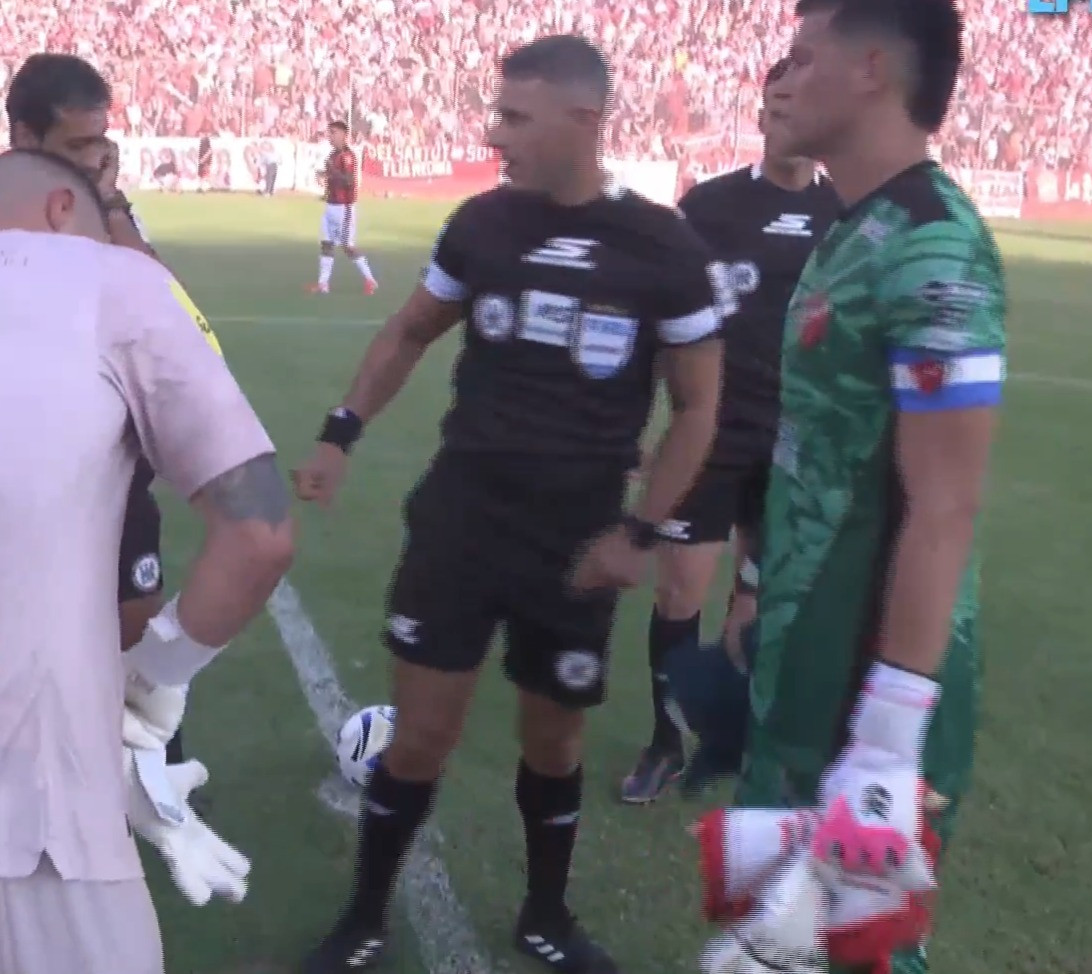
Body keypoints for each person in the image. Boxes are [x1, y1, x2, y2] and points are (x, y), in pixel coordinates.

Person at [293, 33, 724, 974]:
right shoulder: (482, 224)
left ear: (584, 119)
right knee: (422, 735)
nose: (496, 134)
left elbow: (700, 407)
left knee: (555, 737)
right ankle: (362, 920)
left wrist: (640, 530)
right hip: (462, 520)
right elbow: (411, 329)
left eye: (516, 118)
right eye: (498, 113)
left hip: (576, 541)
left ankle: (546, 918)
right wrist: (339, 431)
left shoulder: (662, 246)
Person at [705, 0, 1006, 971]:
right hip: (805, 642)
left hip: (868, 672)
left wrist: (887, 733)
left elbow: (946, 503)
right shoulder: (855, 227)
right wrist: (759, 585)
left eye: (801, 57)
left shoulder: (934, 246)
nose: (781, 79)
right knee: (775, 933)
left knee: (855, 944)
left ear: (872, 68)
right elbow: (819, 450)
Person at [0, 148, 294, 974]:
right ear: (64, 210)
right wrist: (153, 678)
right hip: (34, 806)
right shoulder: (112, 278)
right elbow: (260, 531)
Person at [621, 57, 840, 804]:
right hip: (712, 433)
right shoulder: (710, 206)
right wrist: (637, 425)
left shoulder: (844, 214)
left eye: (800, 104)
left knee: (756, 607)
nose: (787, 118)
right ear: (761, 113)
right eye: (776, 105)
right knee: (679, 590)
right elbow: (658, 318)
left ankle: (736, 736)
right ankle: (663, 742)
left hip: (796, 444)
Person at [5, 52, 226, 769]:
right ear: (24, 136)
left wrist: (112, 205)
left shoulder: (107, 216)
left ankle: (155, 784)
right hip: (22, 481)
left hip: (112, 480)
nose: (95, 158)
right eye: (78, 145)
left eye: (102, 141)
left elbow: (177, 326)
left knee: (134, 651)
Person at [307, 120, 377, 296]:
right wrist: (323, 175)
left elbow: (349, 181)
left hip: (343, 208)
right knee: (326, 244)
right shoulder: (332, 155)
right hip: (331, 205)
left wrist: (332, 172)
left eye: (334, 133)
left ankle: (370, 279)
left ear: (344, 135)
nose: (330, 136)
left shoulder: (348, 156)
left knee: (347, 246)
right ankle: (323, 284)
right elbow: (333, 177)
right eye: (329, 133)